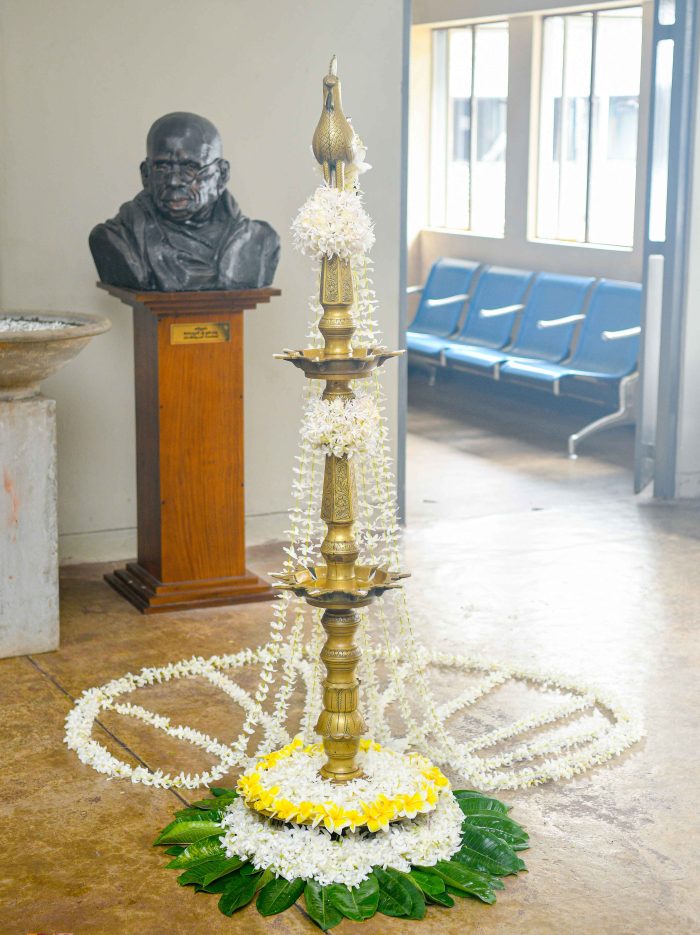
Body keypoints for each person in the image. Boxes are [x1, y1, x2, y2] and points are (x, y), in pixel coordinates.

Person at [89, 112, 280, 291]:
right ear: (145, 175)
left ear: (222, 175)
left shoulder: (259, 242)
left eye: (190, 167)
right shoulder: (118, 239)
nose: (174, 181)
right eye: (162, 167)